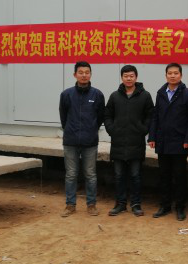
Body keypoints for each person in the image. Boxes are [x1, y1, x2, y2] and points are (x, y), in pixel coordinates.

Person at [104, 65, 154, 217]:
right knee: (119, 176)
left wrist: (143, 129)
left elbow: (150, 115)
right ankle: (120, 204)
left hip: (136, 142)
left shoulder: (145, 96)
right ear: (122, 78)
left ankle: (136, 204)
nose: (129, 78)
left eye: (131, 76)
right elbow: (107, 115)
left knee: (135, 176)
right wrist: (112, 129)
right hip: (118, 142)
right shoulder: (115, 96)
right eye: (126, 76)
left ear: (136, 77)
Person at [148, 63, 188, 221]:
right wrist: (152, 137)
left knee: (179, 176)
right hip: (162, 141)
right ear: (166, 75)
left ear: (181, 75)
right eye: (170, 73)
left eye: (176, 73)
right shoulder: (161, 93)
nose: (173, 75)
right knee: (164, 176)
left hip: (180, 141)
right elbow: (155, 116)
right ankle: (165, 205)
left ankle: (180, 207)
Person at [59, 61, 105, 217]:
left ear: (90, 74)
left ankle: (91, 205)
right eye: (81, 72)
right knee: (71, 174)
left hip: (90, 141)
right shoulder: (66, 94)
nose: (84, 75)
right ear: (75, 75)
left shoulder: (97, 95)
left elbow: (100, 117)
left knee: (90, 175)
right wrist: (70, 130)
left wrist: (90, 129)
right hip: (70, 141)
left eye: (87, 72)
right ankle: (70, 205)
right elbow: (63, 117)